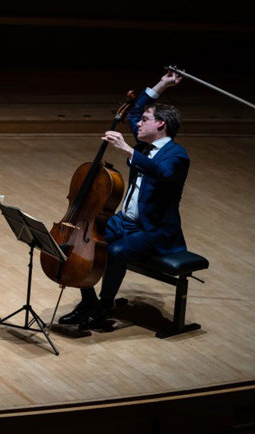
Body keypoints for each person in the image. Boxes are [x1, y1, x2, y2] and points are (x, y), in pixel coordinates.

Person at [59, 69, 188, 330]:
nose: (138, 123)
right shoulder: (143, 145)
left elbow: (161, 172)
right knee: (86, 243)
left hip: (154, 231)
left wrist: (128, 150)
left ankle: (104, 306)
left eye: (146, 120)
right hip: (124, 221)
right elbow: (133, 111)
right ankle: (89, 301)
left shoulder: (177, 156)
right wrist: (161, 85)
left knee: (117, 252)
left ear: (160, 124)